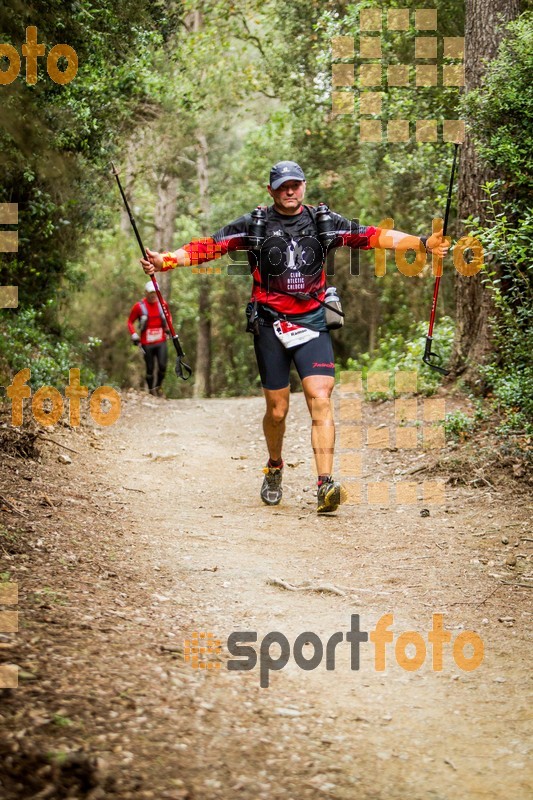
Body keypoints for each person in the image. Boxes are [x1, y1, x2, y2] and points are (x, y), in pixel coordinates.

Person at [140, 161, 449, 512]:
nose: (290, 191)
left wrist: (422, 242)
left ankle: (325, 484)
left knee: (320, 396)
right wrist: (166, 260)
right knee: (277, 410)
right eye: (282, 186)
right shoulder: (254, 225)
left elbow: (374, 236)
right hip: (269, 323)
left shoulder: (323, 222)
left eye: (296, 184)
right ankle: (274, 467)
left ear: (304, 186)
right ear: (271, 190)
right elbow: (207, 247)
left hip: (313, 321)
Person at [127, 281, 172, 396]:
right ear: (146, 292)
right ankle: (151, 391)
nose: (153, 295)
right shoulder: (139, 306)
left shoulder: (163, 304)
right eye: (151, 292)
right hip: (147, 343)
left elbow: (169, 317)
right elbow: (130, 322)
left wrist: (168, 328)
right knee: (150, 368)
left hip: (161, 341)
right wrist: (134, 334)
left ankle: (158, 387)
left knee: (162, 366)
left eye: (155, 292)